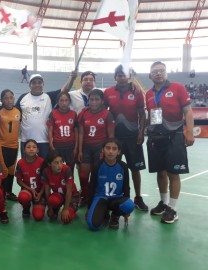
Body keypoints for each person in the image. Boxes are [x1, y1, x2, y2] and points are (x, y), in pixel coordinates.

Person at [146, 61, 194, 224]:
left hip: (174, 136)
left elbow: (188, 111)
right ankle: (164, 203)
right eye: (155, 72)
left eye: (161, 71)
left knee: (173, 173)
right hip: (156, 137)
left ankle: (172, 208)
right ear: (150, 75)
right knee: (160, 172)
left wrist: (189, 132)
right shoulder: (148, 94)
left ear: (166, 73)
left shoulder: (178, 88)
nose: (158, 74)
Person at [104, 64, 148, 212]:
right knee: (113, 166)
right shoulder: (108, 92)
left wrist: (141, 132)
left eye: (124, 75)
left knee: (135, 169)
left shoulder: (136, 91)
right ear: (115, 77)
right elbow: (104, 114)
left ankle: (138, 197)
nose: (121, 77)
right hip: (115, 139)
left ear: (128, 77)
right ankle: (112, 196)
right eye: (119, 75)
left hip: (133, 137)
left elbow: (142, 114)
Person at [15, 72, 75, 159]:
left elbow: (65, 90)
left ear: (43, 84)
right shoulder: (22, 98)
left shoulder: (49, 97)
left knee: (44, 169)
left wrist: (71, 78)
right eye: (34, 83)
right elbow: (14, 114)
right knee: (27, 168)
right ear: (29, 85)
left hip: (44, 141)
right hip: (27, 141)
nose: (37, 85)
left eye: (39, 82)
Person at [86, 138, 135, 231]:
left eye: (114, 149)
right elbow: (91, 188)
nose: (110, 151)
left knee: (129, 205)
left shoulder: (123, 166)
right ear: (103, 150)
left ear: (119, 151)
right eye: (108, 148)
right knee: (93, 225)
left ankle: (115, 215)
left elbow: (126, 188)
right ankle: (104, 213)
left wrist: (126, 211)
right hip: (101, 198)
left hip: (117, 199)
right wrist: (89, 208)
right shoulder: (97, 166)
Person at [77, 89, 115, 206]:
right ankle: (84, 194)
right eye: (91, 99)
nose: (93, 102)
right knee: (83, 174)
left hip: (100, 147)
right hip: (86, 147)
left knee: (97, 174)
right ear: (88, 101)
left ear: (102, 101)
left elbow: (111, 136)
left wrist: (107, 150)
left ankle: (96, 195)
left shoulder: (107, 114)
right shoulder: (84, 113)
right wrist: (79, 150)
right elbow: (81, 133)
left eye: (96, 99)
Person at [0, 89, 21, 201]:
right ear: (1, 100)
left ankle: (9, 192)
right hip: (2, 145)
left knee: (11, 170)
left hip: (15, 146)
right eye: (6, 98)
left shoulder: (19, 111)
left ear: (14, 98)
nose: (9, 100)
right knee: (3, 170)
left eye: (11, 97)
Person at [41, 150, 80, 224]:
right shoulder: (46, 172)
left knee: (66, 219)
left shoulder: (67, 170)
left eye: (61, 161)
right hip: (59, 195)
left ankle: (73, 207)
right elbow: (47, 191)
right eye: (56, 162)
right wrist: (50, 207)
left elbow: (69, 191)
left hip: (72, 196)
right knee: (51, 212)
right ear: (49, 164)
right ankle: (56, 208)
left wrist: (66, 209)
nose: (60, 165)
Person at [47, 92, 78, 172]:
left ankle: (69, 183)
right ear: (58, 102)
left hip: (70, 146)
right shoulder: (53, 113)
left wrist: (76, 147)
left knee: (70, 169)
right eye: (61, 100)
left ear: (69, 102)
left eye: (66, 100)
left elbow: (76, 131)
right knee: (57, 169)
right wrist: (51, 145)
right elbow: (50, 130)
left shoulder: (73, 114)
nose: (64, 103)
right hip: (57, 146)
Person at [15, 139, 45, 220]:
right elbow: (18, 180)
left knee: (38, 216)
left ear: (37, 150)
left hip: (40, 192)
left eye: (34, 147)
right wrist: (30, 189)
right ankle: (26, 207)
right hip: (27, 190)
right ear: (24, 150)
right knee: (23, 197)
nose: (31, 149)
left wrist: (41, 193)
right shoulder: (20, 162)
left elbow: (46, 181)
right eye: (28, 147)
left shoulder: (42, 162)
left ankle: (38, 203)